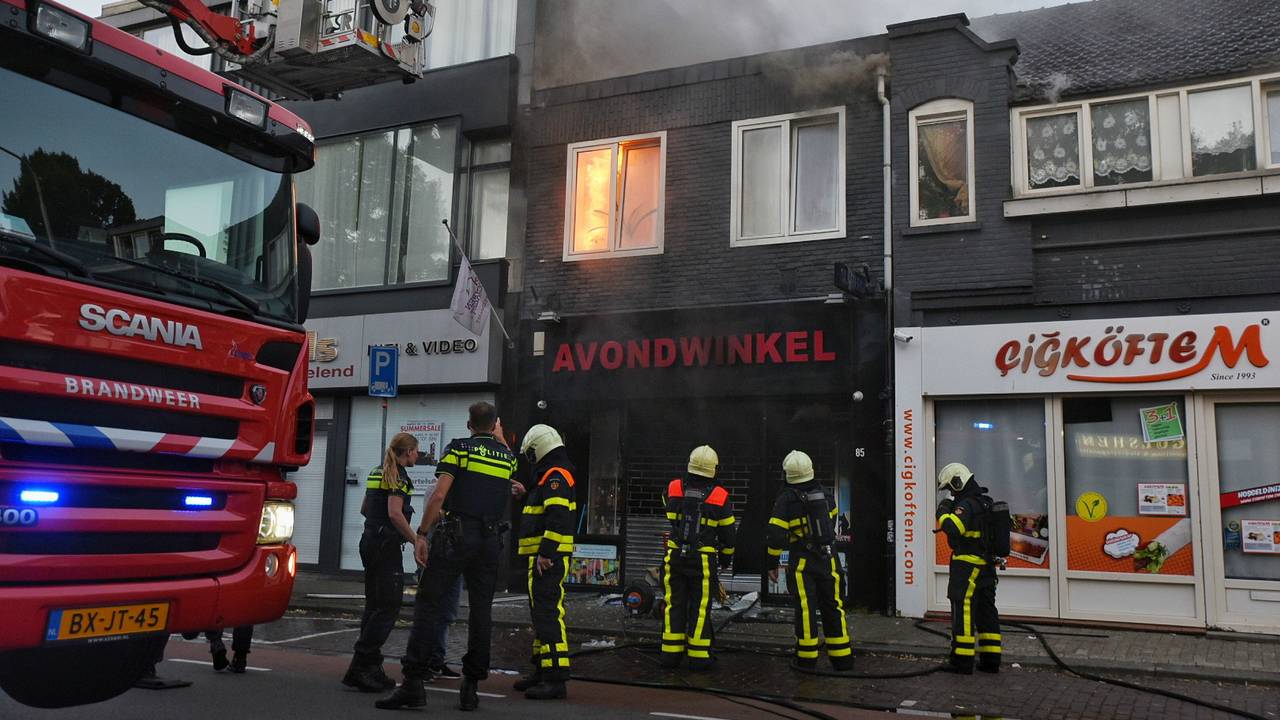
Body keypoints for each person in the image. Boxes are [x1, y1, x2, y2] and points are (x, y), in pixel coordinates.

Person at [377, 402, 519, 712]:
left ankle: (413, 683)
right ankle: (470, 687)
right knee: (482, 612)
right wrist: (500, 437)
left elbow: (439, 494)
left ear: (469, 424)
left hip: (456, 536)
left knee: (429, 604)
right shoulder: (506, 458)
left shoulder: (459, 449)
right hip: (490, 541)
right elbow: (511, 465)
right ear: (495, 425)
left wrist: (423, 534)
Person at [343, 432, 420, 692]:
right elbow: (396, 514)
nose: (417, 456)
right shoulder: (398, 476)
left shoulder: (378, 471)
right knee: (388, 606)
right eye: (416, 452)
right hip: (386, 547)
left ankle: (370, 666)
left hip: (369, 543)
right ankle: (361, 666)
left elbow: (365, 508)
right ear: (408, 452)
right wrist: (415, 540)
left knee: (374, 605)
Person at [765, 451, 852, 671]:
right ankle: (842, 659)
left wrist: (772, 563)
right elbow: (832, 520)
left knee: (806, 609)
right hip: (829, 558)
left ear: (788, 475)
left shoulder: (785, 500)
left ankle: (806, 659)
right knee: (834, 606)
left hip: (803, 561)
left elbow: (776, 535)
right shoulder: (825, 494)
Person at [513, 423, 578, 700]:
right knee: (540, 614)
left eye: (530, 454)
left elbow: (557, 518)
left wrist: (546, 553)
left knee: (549, 614)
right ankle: (542, 669)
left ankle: (555, 679)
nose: (530, 461)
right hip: (541, 558)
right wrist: (526, 494)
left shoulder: (555, 476)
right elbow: (545, 510)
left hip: (547, 560)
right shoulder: (548, 478)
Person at [660, 445, 736, 671]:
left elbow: (669, 513)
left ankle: (670, 655)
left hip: (674, 556)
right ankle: (699, 656)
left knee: (674, 603)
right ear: (714, 469)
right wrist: (725, 559)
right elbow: (729, 536)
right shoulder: (720, 496)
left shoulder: (673, 488)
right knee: (700, 607)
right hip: (703, 559)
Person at [935, 461, 1002, 674]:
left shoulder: (968, 504)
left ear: (958, 481)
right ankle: (991, 660)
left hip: (967, 565)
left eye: (950, 488)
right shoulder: (985, 502)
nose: (950, 494)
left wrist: (943, 511)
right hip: (986, 566)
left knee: (962, 607)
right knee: (986, 610)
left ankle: (962, 661)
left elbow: (954, 528)